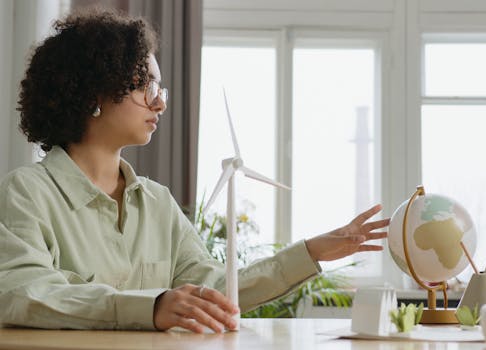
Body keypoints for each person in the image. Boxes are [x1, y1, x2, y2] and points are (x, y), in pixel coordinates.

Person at [0, 9, 389, 333]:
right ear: (92, 94)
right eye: (145, 87)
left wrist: (311, 252)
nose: (160, 104)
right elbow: (24, 293)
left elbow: (217, 290)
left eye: (161, 89)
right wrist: (150, 307)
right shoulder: (27, 193)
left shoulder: (157, 203)